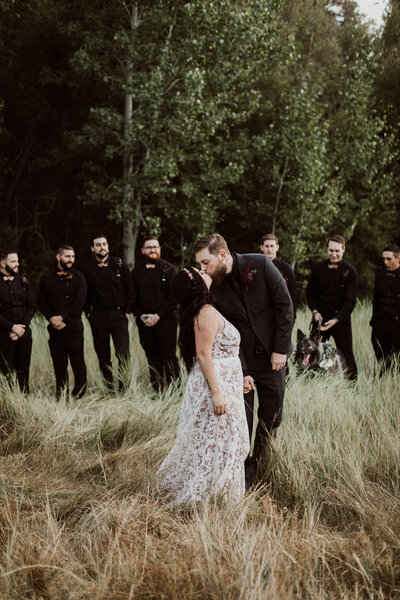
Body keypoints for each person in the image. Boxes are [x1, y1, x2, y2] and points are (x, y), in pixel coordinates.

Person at [194, 234, 293, 488]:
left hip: (274, 358)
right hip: (240, 363)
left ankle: (260, 460)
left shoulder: (259, 264)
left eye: (206, 263)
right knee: (241, 420)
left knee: (273, 414)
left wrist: (280, 350)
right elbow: (222, 333)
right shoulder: (212, 286)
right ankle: (241, 469)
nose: (202, 269)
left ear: (223, 255)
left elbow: (284, 305)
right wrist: (243, 371)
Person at [156, 266, 249, 504]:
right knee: (220, 441)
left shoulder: (205, 310)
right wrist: (217, 394)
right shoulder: (205, 312)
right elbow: (204, 355)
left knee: (222, 440)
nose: (205, 270)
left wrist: (238, 381)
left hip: (221, 382)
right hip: (214, 386)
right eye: (200, 270)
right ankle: (211, 497)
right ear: (197, 282)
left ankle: (218, 494)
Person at [84, 235, 134, 391]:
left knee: (123, 354)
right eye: (98, 245)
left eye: (104, 244)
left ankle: (124, 387)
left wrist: (127, 311)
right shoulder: (88, 269)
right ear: (93, 249)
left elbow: (130, 289)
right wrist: (88, 313)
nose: (102, 247)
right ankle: (109, 388)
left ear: (108, 247)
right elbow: (84, 293)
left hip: (119, 315)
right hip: (98, 317)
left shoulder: (120, 264)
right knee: (103, 355)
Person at [306, 234, 358, 380]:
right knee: (313, 352)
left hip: (340, 320)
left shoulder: (351, 271)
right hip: (320, 319)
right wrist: (315, 311)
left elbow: (350, 302)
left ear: (343, 250)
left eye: (337, 251)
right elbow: (310, 292)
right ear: (327, 250)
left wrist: (336, 319)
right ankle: (314, 383)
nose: (333, 254)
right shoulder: (317, 269)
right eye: (331, 250)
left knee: (347, 355)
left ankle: (352, 388)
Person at [38, 245, 87, 398]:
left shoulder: (79, 277)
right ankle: (62, 393)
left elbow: (79, 302)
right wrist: (51, 318)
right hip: (54, 328)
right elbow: (41, 302)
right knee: (59, 364)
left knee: (78, 363)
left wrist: (61, 317)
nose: (71, 259)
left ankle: (79, 394)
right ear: (58, 257)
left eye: (72, 256)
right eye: (67, 256)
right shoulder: (47, 278)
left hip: (73, 326)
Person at [131, 237, 179, 390]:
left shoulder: (170, 269)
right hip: (144, 323)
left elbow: (174, 297)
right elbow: (131, 298)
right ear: (142, 251)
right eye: (149, 247)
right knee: (152, 357)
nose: (153, 250)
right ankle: (157, 390)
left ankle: (174, 391)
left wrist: (157, 315)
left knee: (169, 357)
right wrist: (141, 316)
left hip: (166, 322)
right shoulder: (135, 273)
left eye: (155, 247)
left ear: (160, 249)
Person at [0, 250, 36, 392]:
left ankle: (24, 399)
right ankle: (9, 402)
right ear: (3, 264)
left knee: (23, 368)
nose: (17, 264)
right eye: (13, 261)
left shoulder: (23, 281)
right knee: (5, 369)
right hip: (3, 333)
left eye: (17, 261)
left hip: (24, 332)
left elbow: (32, 306)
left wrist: (21, 328)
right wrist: (11, 327)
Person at [370, 244, 400, 372]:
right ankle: (385, 376)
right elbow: (375, 300)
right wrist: (374, 322)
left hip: (397, 324)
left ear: (398, 258)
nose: (385, 262)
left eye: (389, 259)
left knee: (396, 359)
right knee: (382, 357)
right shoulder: (380, 276)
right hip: (380, 324)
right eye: (384, 259)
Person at [260, 233, 297, 321]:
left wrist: (292, 318)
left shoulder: (287, 269)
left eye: (272, 246)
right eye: (267, 246)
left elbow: (293, 296)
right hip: (261, 316)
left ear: (277, 247)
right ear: (262, 247)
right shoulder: (255, 268)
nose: (269, 249)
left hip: (281, 315)